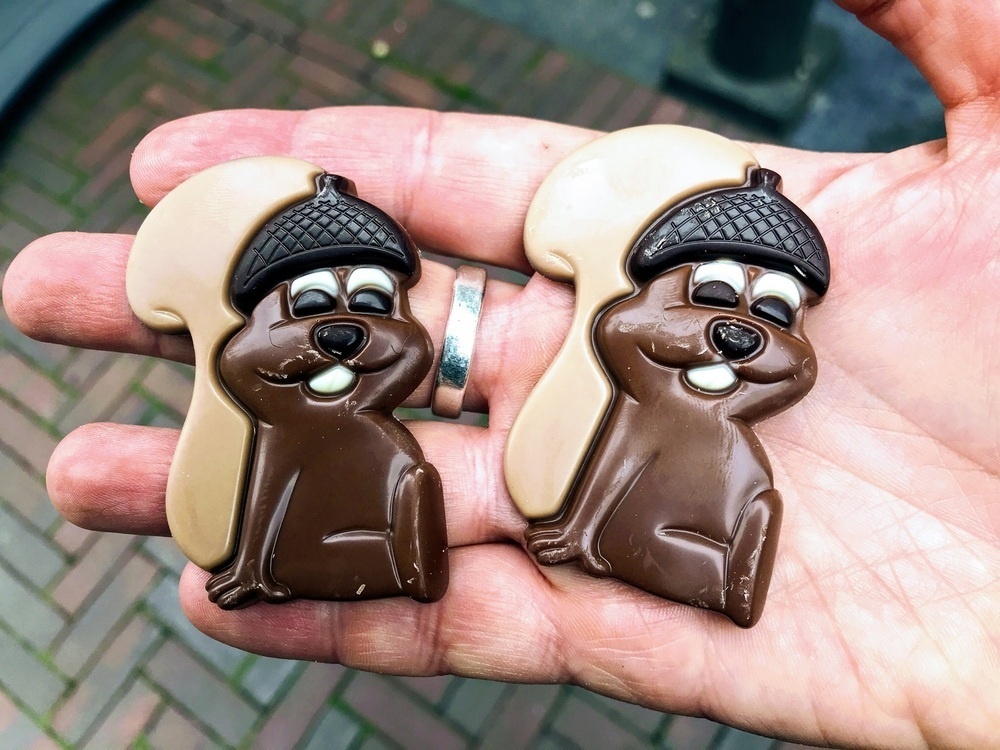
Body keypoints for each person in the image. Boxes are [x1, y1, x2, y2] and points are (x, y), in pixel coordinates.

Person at [3, 0, 997, 746]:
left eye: (770, 314)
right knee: (355, 485)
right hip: (379, 515)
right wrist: (255, 564)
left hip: (697, 539)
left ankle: (524, 553)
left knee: (414, 479)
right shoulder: (302, 416)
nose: (739, 337)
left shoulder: (700, 429)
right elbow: (282, 481)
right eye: (707, 296)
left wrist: (697, 572)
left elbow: (718, 497)